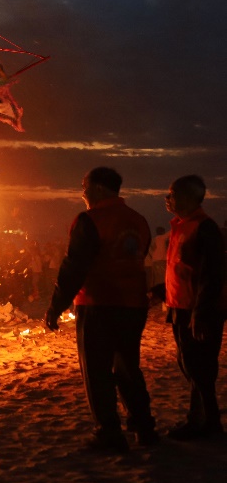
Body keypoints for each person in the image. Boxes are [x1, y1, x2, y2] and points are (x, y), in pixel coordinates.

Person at [45, 167, 156, 452]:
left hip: (98, 304)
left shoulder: (90, 220)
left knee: (97, 372)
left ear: (97, 188)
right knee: (128, 367)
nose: (82, 192)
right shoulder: (138, 220)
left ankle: (109, 433)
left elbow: (74, 267)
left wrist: (56, 307)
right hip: (133, 306)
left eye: (84, 186)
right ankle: (143, 426)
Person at [158, 175, 226, 440]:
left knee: (200, 367)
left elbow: (212, 275)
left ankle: (207, 423)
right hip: (180, 307)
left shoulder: (204, 228)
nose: (167, 199)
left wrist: (201, 313)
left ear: (188, 198)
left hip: (199, 311)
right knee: (189, 364)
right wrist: (160, 292)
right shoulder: (180, 226)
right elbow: (183, 269)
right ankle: (200, 419)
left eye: (172, 194)